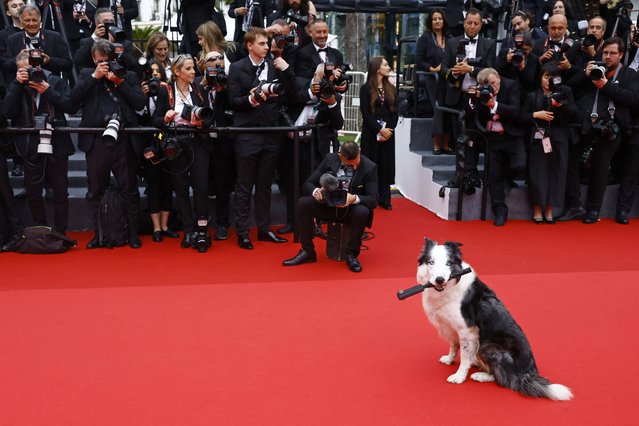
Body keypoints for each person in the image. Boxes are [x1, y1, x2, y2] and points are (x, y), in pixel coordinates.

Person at [71, 39, 145, 248]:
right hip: (96, 141)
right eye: (100, 61)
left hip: (123, 140)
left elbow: (140, 104)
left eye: (108, 60)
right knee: (95, 189)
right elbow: (72, 100)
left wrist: (118, 82)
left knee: (129, 188)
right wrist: (95, 77)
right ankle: (99, 234)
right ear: (94, 59)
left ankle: (132, 234)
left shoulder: (128, 75)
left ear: (114, 58)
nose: (104, 64)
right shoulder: (87, 75)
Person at [227, 27, 295, 249]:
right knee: (245, 185)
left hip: (271, 134)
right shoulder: (237, 68)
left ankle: (265, 230)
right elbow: (233, 101)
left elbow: (291, 92)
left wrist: (286, 69)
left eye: (267, 44)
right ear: (249, 45)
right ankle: (243, 232)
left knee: (265, 185)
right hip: (247, 134)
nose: (267, 47)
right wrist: (252, 99)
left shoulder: (274, 66)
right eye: (262, 44)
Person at [560, 37, 639, 223]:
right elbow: (569, 89)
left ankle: (594, 210)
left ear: (621, 55)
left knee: (600, 167)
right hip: (585, 124)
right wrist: (584, 75)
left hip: (610, 128)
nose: (608, 56)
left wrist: (606, 86)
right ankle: (574, 205)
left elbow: (632, 98)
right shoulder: (592, 67)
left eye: (612, 53)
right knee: (571, 162)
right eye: (605, 52)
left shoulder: (629, 74)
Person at [2, 51, 76, 235]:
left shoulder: (55, 81)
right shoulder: (17, 86)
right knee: (33, 193)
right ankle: (41, 231)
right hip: (30, 146)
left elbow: (71, 105)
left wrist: (47, 90)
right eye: (24, 70)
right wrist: (17, 84)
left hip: (57, 143)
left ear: (39, 66)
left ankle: (60, 233)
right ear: (19, 71)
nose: (30, 73)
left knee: (60, 192)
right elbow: (7, 112)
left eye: (32, 68)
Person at [282, 141, 378, 272]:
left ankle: (351, 255)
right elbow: (308, 184)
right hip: (328, 206)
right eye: (350, 164)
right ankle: (307, 251)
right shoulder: (330, 159)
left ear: (359, 153)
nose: (354, 167)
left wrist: (354, 198)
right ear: (340, 156)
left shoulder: (369, 167)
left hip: (350, 210)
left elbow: (374, 200)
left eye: (356, 162)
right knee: (302, 204)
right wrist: (316, 191)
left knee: (362, 211)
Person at [151, 53, 211, 250]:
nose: (193, 72)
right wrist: (166, 119)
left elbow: (209, 117)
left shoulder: (200, 90)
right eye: (188, 69)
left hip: (197, 142)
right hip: (175, 144)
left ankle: (202, 230)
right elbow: (155, 121)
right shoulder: (165, 91)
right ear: (177, 72)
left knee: (201, 188)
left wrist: (200, 121)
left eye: (193, 68)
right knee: (181, 188)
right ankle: (188, 230)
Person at [277, 62, 344, 235]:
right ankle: (293, 222)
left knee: (314, 185)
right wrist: (310, 93)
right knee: (293, 184)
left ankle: (315, 223)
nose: (321, 82)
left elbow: (338, 123)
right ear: (314, 75)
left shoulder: (331, 93)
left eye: (326, 79)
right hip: (294, 145)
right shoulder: (300, 87)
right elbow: (289, 100)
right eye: (320, 77)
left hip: (316, 147)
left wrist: (331, 102)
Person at [520, 63, 579, 223]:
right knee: (537, 173)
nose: (549, 80)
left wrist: (561, 105)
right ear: (540, 78)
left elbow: (575, 114)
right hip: (538, 136)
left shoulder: (565, 92)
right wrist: (535, 114)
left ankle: (550, 209)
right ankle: (537, 208)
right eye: (546, 76)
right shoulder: (532, 95)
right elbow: (521, 117)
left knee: (557, 173)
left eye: (552, 77)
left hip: (559, 137)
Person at [473, 68, 526, 226]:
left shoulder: (511, 87)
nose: (492, 87)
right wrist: (478, 101)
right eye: (488, 84)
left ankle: (508, 178)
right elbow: (478, 115)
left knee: (519, 165)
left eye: (494, 83)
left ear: (499, 78)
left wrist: (494, 105)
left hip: (512, 136)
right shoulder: (482, 92)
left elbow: (515, 111)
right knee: (494, 175)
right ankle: (500, 210)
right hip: (492, 138)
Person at [135, 59, 179, 243]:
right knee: (153, 185)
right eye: (150, 72)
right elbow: (141, 117)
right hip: (148, 145)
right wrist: (142, 97)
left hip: (167, 143)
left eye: (157, 72)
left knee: (167, 184)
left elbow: (173, 112)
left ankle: (166, 225)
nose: (154, 75)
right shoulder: (141, 93)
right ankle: (156, 228)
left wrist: (163, 92)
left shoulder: (168, 91)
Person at [359, 56, 398, 211]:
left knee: (386, 165)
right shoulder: (366, 88)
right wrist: (378, 129)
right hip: (371, 134)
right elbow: (365, 112)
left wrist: (388, 130)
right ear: (377, 68)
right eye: (386, 64)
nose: (388, 67)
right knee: (371, 165)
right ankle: (371, 197)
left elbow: (395, 112)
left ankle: (385, 198)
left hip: (388, 135)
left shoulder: (392, 89)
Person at [2, 5, 73, 82]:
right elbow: (5, 67)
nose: (31, 24)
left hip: (50, 85)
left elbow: (68, 63)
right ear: (21, 21)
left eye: (34, 20)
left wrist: (49, 61)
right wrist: (18, 59)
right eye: (27, 20)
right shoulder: (13, 39)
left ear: (40, 21)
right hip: (23, 87)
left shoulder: (55, 37)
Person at [415, 9, 451, 154]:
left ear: (444, 21)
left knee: (449, 109)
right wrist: (432, 69)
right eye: (434, 19)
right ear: (430, 21)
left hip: (449, 79)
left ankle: (446, 145)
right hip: (433, 79)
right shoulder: (425, 38)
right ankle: (436, 144)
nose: (437, 21)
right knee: (439, 109)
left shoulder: (450, 38)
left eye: (440, 19)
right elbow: (419, 60)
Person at [72, 7, 138, 74]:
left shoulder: (124, 43)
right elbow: (79, 60)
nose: (109, 24)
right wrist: (94, 37)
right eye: (106, 22)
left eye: (112, 21)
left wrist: (115, 46)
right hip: (96, 78)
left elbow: (132, 65)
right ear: (97, 23)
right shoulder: (87, 41)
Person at [294, 18, 345, 83]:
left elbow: (340, 77)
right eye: (318, 32)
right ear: (310, 33)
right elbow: (302, 78)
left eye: (325, 32)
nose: (322, 36)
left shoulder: (337, 54)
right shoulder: (302, 53)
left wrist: (343, 84)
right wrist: (326, 72)